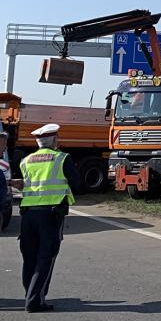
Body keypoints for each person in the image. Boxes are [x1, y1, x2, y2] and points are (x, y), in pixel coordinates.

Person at [18, 123, 81, 313]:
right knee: (46, 257)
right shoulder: (61, 158)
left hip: (28, 214)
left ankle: (30, 295)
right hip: (51, 214)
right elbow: (77, 185)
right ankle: (35, 301)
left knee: (29, 258)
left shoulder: (26, 160)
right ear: (54, 140)